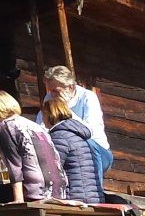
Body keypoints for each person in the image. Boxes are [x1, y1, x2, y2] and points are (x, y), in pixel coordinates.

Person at [39, 65, 112, 194]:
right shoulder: (50, 97)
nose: (52, 95)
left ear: (71, 87)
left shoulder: (88, 98)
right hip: (69, 151)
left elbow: (90, 131)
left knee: (86, 144)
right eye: (50, 91)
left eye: (56, 91)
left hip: (99, 152)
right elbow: (41, 126)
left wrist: (66, 111)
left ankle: (96, 193)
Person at [0, 91, 65, 204]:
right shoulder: (36, 126)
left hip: (36, 188)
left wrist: (18, 199)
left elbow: (14, 164)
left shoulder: (6, 126)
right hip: (59, 186)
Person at [45, 98, 102, 205]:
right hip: (92, 196)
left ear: (49, 114)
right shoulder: (77, 135)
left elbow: (53, 169)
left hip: (74, 196)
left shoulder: (59, 136)